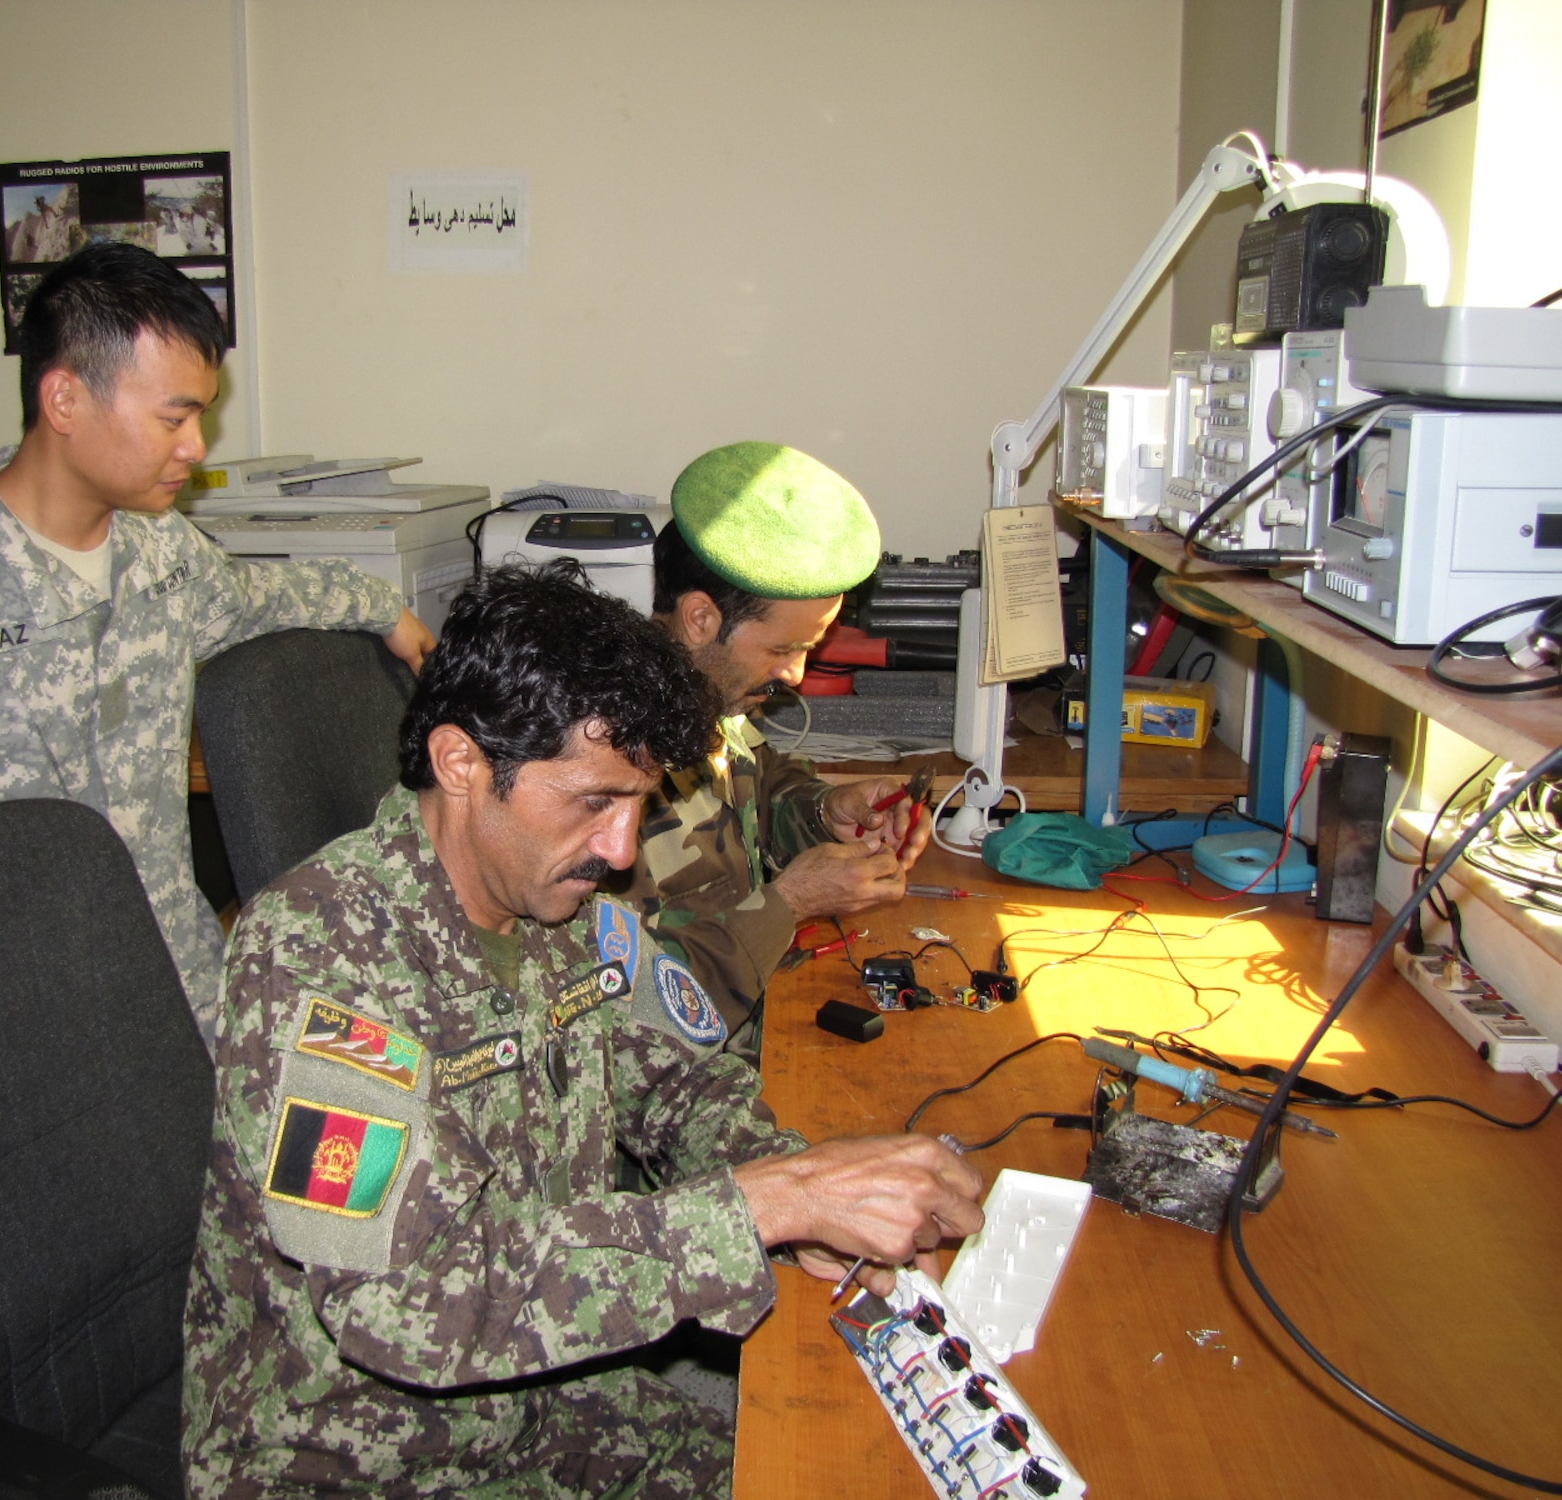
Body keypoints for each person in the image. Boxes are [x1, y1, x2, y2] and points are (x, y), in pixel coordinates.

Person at [181, 562, 983, 1497]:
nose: (621, 849)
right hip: (358, 1461)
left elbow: (676, 1082)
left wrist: (802, 1189)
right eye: (595, 800)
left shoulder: (567, 909)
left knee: (829, 1473)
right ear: (460, 763)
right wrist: (766, 1205)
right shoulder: (318, 955)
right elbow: (404, 1303)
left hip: (544, 1399)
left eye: (638, 802)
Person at [0, 243, 434, 1040]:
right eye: (174, 418)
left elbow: (260, 597)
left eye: (201, 418)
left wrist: (385, 609)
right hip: (10, 1019)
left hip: (171, 979)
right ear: (65, 400)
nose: (196, 448)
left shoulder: (160, 552)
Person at [605, 440, 929, 1039]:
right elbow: (634, 1011)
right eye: (784, 648)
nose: (797, 675)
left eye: (809, 648)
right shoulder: (602, 765)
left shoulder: (712, 695)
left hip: (763, 1017)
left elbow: (754, 795)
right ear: (701, 619)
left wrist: (826, 811)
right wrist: (790, 903)